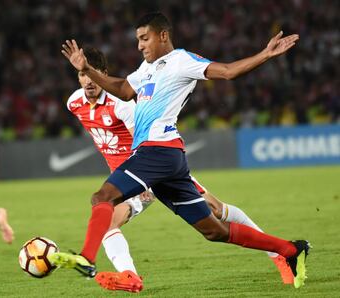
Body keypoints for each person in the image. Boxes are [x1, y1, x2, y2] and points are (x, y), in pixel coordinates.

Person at [52, 12, 310, 291]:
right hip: (164, 157)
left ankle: (86, 258)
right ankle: (290, 249)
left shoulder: (181, 61)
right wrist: (87, 69)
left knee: (102, 197)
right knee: (214, 230)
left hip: (157, 150)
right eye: (138, 39)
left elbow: (227, 71)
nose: (139, 45)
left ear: (163, 35)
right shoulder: (146, 68)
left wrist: (265, 55)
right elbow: (124, 89)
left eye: (144, 38)